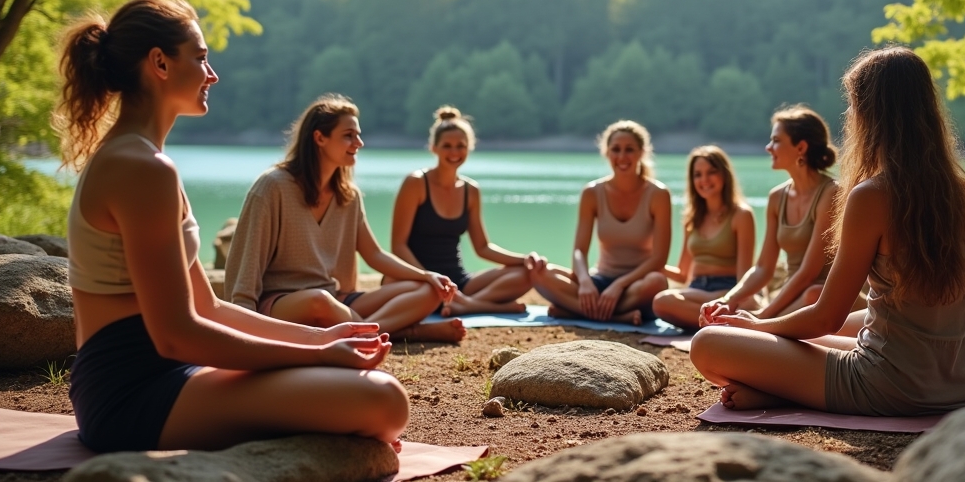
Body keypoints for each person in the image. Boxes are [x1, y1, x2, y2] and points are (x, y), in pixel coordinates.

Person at [58, 0, 407, 453]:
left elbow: (210, 308)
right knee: (383, 400)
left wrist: (322, 337)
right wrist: (317, 354)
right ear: (160, 63)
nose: (212, 74)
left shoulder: (146, 161)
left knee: (362, 382)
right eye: (201, 58)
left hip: (165, 375)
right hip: (131, 394)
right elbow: (175, 335)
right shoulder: (140, 168)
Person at [694, 46, 965, 416]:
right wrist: (762, 325)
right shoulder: (963, 193)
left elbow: (824, 318)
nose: (849, 115)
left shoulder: (872, 195)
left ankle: (785, 389)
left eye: (852, 104)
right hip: (960, 384)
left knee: (708, 344)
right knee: (837, 339)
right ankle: (783, 388)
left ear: (872, 114)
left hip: (890, 386)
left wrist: (759, 325)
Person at [224, 95, 465, 343]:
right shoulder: (272, 187)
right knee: (318, 302)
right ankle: (396, 331)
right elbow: (247, 263)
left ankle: (372, 332)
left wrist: (427, 276)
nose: (359, 142)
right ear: (320, 138)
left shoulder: (348, 196)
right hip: (282, 303)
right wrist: (245, 321)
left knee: (428, 291)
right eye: (349, 135)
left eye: (358, 135)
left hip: (336, 298)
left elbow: (375, 255)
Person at [389, 106, 545, 316]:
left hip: (457, 280)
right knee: (394, 284)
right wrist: (427, 277)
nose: (454, 152)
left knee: (526, 274)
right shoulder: (416, 183)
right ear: (433, 148)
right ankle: (476, 306)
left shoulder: (471, 190)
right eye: (447, 146)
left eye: (460, 146)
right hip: (418, 279)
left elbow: (482, 247)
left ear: (469, 147)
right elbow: (398, 246)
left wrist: (525, 259)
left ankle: (462, 303)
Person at [698, 106, 846, 324]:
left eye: (776, 140)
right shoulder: (777, 197)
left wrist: (762, 316)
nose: (768, 147)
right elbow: (763, 268)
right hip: (793, 297)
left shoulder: (831, 193)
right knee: (732, 321)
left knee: (813, 294)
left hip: (827, 298)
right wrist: (728, 300)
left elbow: (808, 273)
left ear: (801, 147)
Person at [530, 120, 671, 325]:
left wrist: (620, 285)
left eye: (629, 150)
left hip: (636, 287)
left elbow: (659, 259)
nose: (622, 157)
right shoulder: (592, 192)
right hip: (600, 281)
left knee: (657, 281)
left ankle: (576, 311)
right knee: (540, 274)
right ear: (606, 152)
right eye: (616, 149)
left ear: (642, 152)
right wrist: (586, 281)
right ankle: (616, 317)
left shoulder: (658, 194)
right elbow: (579, 251)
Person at [652, 146, 755, 329]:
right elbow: (683, 274)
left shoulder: (741, 215)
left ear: (724, 174)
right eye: (697, 174)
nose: (704, 180)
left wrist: (727, 299)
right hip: (697, 289)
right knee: (661, 302)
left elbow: (744, 277)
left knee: (746, 304)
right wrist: (651, 262)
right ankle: (722, 322)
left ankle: (716, 319)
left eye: (711, 172)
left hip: (728, 288)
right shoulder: (692, 218)